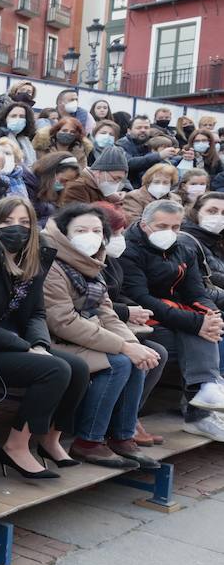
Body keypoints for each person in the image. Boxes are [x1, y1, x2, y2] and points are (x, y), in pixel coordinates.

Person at [0, 196, 87, 478]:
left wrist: (38, 344)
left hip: (15, 344)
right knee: (54, 369)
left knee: (78, 368)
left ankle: (49, 440)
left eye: (25, 222)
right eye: (8, 222)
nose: (18, 228)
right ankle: (15, 447)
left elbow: (37, 312)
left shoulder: (32, 259)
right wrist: (27, 348)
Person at [43, 205, 162, 469]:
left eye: (97, 230)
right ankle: (88, 442)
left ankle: (122, 436)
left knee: (137, 356)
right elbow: (63, 322)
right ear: (65, 234)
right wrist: (123, 347)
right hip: (52, 339)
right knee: (119, 362)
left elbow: (106, 311)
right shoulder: (53, 264)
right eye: (81, 230)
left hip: (84, 336)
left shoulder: (90, 261)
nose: (90, 235)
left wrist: (131, 344)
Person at [119, 198, 224, 439]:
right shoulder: (129, 249)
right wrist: (198, 323)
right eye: (162, 227)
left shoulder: (183, 247)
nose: (170, 233)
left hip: (173, 314)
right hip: (141, 317)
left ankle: (205, 398)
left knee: (211, 330)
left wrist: (212, 315)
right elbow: (142, 298)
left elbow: (196, 291)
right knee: (194, 334)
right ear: (145, 225)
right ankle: (202, 403)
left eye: (176, 227)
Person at [98, 201, 173, 447]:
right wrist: (125, 311)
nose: (120, 238)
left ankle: (127, 420)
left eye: (122, 232)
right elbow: (92, 302)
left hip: (114, 322)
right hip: (91, 326)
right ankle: (108, 428)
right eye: (115, 233)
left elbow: (118, 293)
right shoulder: (85, 259)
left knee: (156, 352)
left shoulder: (112, 259)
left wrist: (134, 310)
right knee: (132, 357)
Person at [119, 115, 180, 182]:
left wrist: (183, 157)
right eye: (139, 128)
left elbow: (170, 157)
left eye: (146, 128)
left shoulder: (153, 140)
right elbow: (129, 163)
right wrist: (159, 155)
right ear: (129, 131)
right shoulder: (121, 144)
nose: (143, 130)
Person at [186, 191, 224, 291]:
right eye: (212, 211)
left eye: (223, 213)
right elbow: (207, 276)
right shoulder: (187, 239)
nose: (219, 217)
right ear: (196, 212)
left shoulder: (218, 239)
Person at [0, 100, 37, 173]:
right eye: (13, 116)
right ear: (5, 118)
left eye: (22, 116)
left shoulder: (25, 140)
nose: (18, 119)